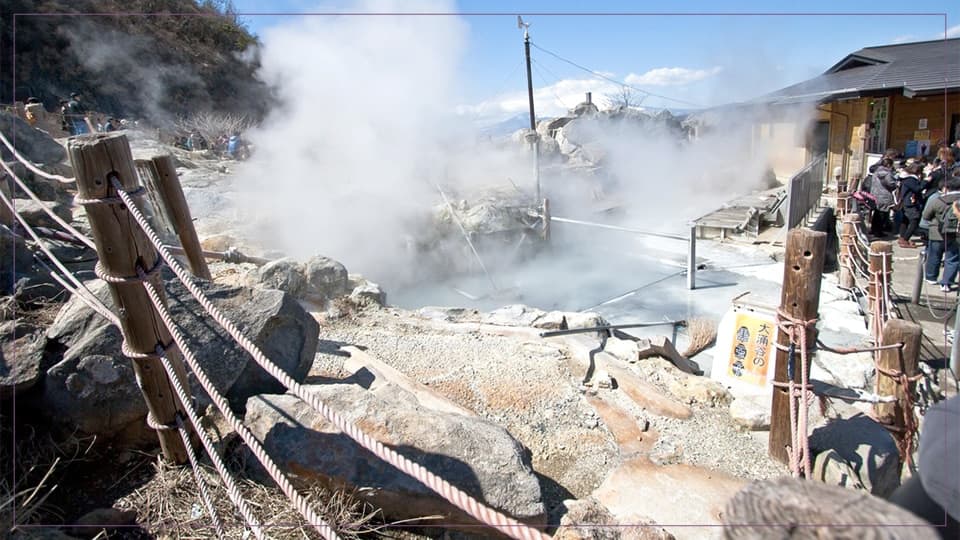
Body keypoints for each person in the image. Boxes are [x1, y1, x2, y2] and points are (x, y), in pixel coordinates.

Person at [922, 176, 960, 288]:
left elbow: (926, 216)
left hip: (937, 232)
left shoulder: (938, 200)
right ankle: (947, 283)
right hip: (956, 234)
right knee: (952, 259)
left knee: (934, 256)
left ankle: (931, 278)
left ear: (946, 187)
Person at [897, 159, 925, 248]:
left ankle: (902, 237)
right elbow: (917, 188)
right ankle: (905, 239)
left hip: (906, 201)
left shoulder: (905, 178)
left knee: (905, 220)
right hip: (910, 202)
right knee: (914, 221)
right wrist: (926, 181)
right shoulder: (910, 179)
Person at [869, 158, 897, 236]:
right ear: (889, 165)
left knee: (877, 213)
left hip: (875, 194)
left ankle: (873, 229)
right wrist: (896, 183)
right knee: (882, 214)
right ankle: (879, 231)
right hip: (884, 195)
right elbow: (891, 184)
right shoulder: (887, 173)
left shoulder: (876, 171)